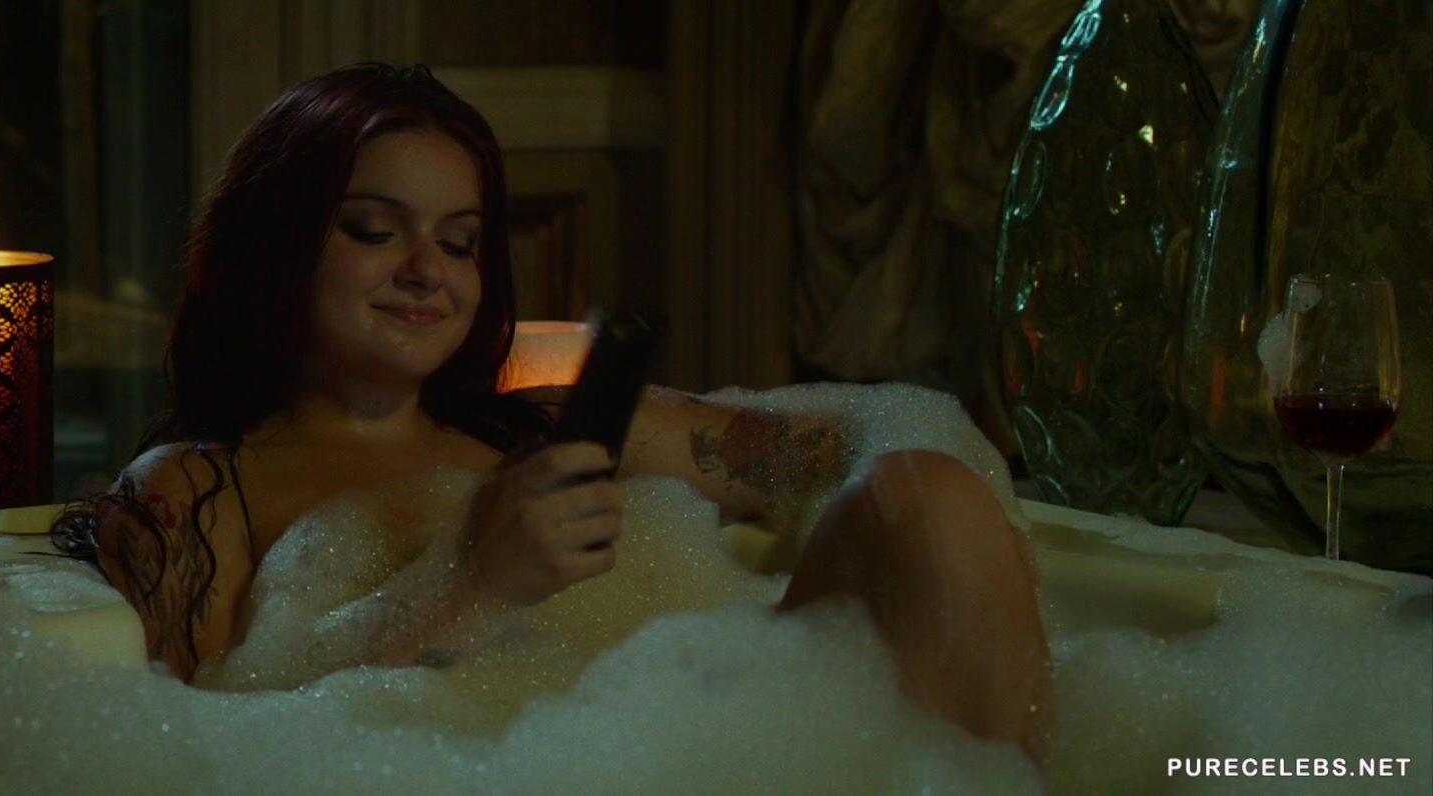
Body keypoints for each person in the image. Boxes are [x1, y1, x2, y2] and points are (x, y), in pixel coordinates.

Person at [52, 63, 1048, 752]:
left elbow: (839, 450)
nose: (426, 271)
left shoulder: (540, 432)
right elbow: (208, 746)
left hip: (692, 751)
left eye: (459, 241)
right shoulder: (199, 488)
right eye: (374, 229)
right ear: (278, 244)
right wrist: (469, 580)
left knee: (927, 494)